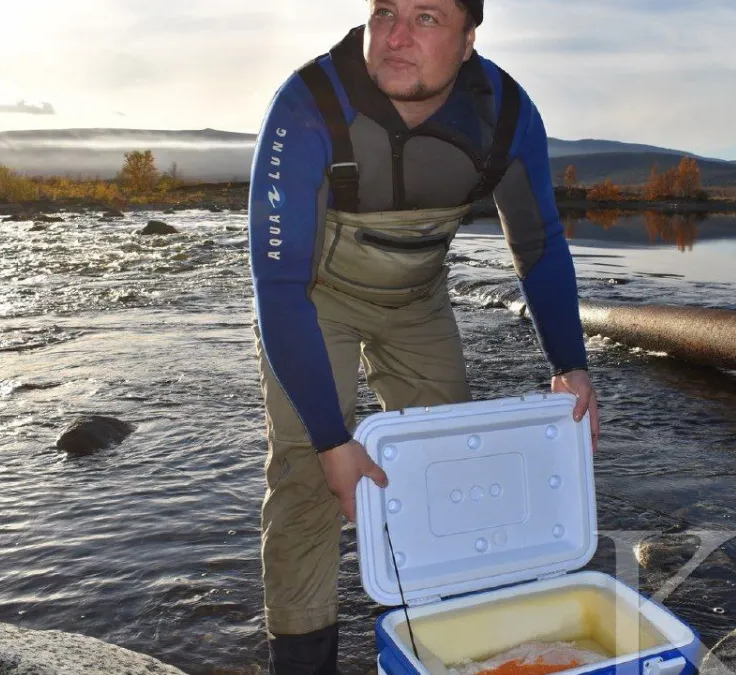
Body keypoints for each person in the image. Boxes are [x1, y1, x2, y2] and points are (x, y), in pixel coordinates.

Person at [247, 1, 599, 672]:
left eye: (427, 17)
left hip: (418, 302)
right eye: (385, 11)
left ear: (469, 40)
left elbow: (540, 244)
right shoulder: (309, 103)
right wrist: (329, 439)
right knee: (307, 479)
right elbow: (278, 286)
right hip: (313, 298)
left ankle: (445, 652)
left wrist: (571, 364)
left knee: (451, 471)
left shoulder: (505, 115)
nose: (396, 36)